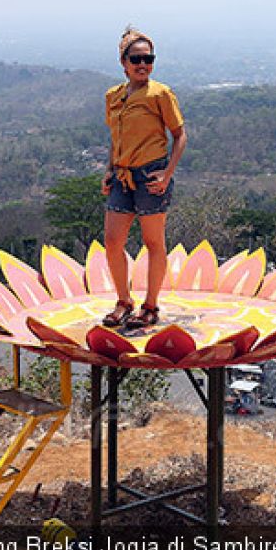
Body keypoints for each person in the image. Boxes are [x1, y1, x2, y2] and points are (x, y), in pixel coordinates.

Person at [100, 26, 187, 328]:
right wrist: (109, 170)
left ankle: (150, 306)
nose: (142, 65)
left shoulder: (160, 94)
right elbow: (115, 137)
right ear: (123, 62)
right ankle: (124, 301)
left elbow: (179, 135)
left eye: (148, 59)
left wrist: (167, 173)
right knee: (112, 241)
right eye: (135, 59)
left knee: (153, 242)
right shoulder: (113, 96)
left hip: (152, 174)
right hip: (122, 175)